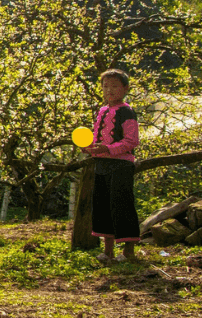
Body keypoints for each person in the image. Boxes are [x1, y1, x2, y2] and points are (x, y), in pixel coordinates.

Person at [81, 68, 140, 263]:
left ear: (125, 89)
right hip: (103, 164)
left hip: (121, 165)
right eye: (105, 86)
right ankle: (108, 251)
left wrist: (106, 148)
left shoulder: (127, 111)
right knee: (103, 205)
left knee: (121, 205)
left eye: (114, 86)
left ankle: (128, 252)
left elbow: (131, 141)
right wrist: (90, 149)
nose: (109, 90)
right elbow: (99, 138)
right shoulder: (103, 110)